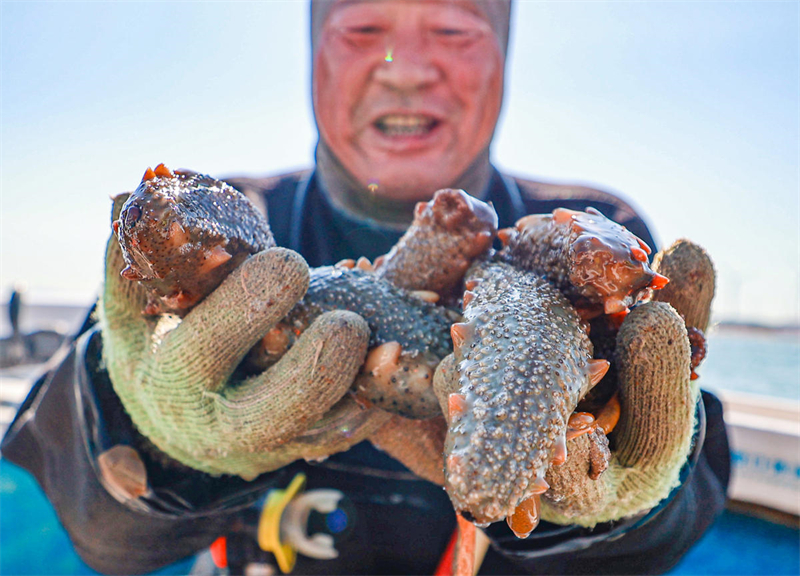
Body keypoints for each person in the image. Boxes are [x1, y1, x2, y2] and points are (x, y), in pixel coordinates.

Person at [1, 1, 730, 575]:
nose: (405, 69)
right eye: (364, 29)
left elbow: (674, 525)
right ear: (313, 55)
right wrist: (149, 433)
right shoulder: (214, 228)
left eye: (453, 28)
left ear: (503, 59)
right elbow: (101, 536)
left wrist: (625, 509)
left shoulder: (608, 235)